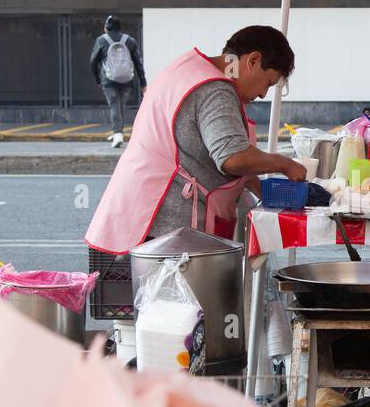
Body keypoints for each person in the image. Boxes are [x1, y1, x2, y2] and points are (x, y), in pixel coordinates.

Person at [86, 25, 307, 255]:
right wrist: (285, 164)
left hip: (139, 213)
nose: (263, 94)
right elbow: (233, 156)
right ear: (253, 60)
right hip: (165, 230)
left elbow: (201, 146)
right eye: (268, 83)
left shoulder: (189, 69)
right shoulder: (215, 90)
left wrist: (258, 186)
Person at [91, 15, 147, 148]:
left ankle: (117, 134)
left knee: (114, 105)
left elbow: (93, 61)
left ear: (106, 27)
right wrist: (143, 82)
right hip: (127, 79)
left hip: (108, 80)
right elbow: (138, 63)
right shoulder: (130, 41)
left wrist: (98, 79)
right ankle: (118, 131)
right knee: (121, 105)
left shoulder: (101, 40)